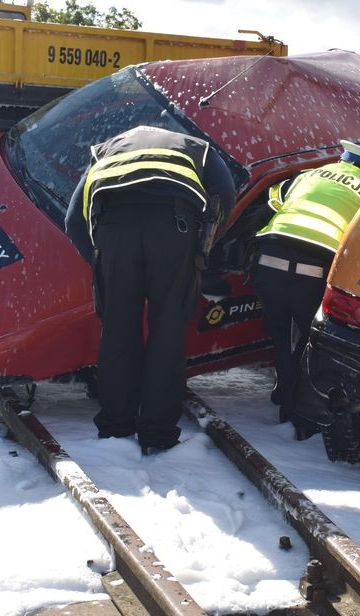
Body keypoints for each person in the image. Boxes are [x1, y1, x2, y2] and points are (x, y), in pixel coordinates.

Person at [65, 126, 235, 454]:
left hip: (114, 229)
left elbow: (74, 219)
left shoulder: (104, 150)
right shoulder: (198, 148)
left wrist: (101, 260)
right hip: (174, 227)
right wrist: (202, 248)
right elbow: (225, 195)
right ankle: (157, 434)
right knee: (168, 332)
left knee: (118, 330)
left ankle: (115, 427)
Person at [253, 140, 360, 427]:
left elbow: (273, 199)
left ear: (343, 159)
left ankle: (281, 392)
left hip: (268, 259)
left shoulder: (310, 174)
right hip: (313, 269)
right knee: (307, 339)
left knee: (279, 334)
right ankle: (297, 414)